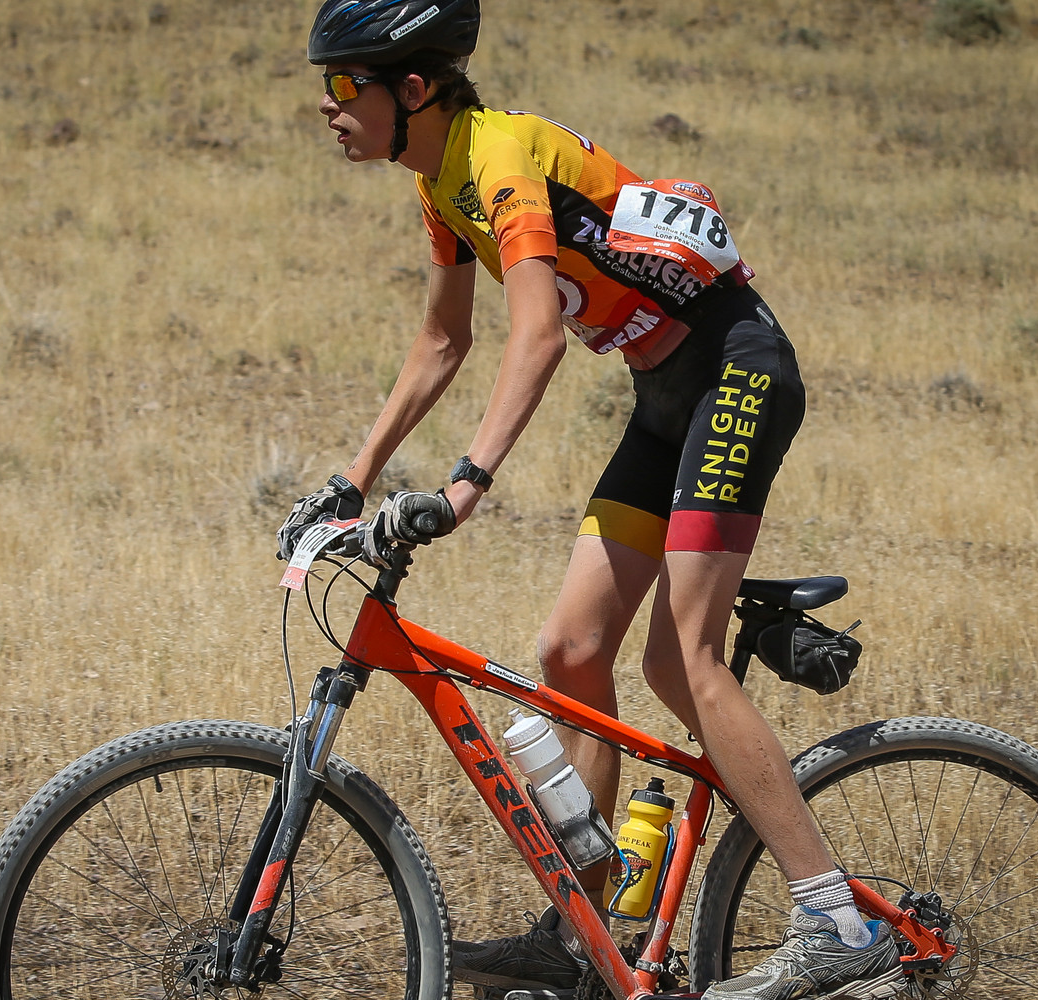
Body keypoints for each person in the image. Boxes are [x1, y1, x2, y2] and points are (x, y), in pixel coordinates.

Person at [277, 3, 902, 998]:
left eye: (346, 83)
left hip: (736, 372)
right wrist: (351, 480)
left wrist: (466, 482)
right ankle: (585, 931)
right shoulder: (440, 183)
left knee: (684, 659)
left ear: (414, 89)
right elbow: (443, 341)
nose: (327, 103)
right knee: (571, 650)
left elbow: (538, 334)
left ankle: (834, 917)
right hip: (665, 397)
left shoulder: (498, 157)